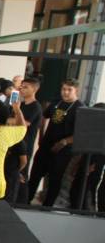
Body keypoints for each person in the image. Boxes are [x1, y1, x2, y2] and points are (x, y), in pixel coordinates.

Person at [28, 79, 83, 207]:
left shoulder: (79, 108)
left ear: (76, 91)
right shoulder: (56, 102)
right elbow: (44, 116)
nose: (65, 92)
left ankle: (47, 207)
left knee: (54, 179)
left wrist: (64, 142)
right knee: (35, 175)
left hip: (62, 151)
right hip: (46, 146)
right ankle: (25, 201)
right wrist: (40, 136)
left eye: (69, 90)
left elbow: (80, 133)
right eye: (63, 89)